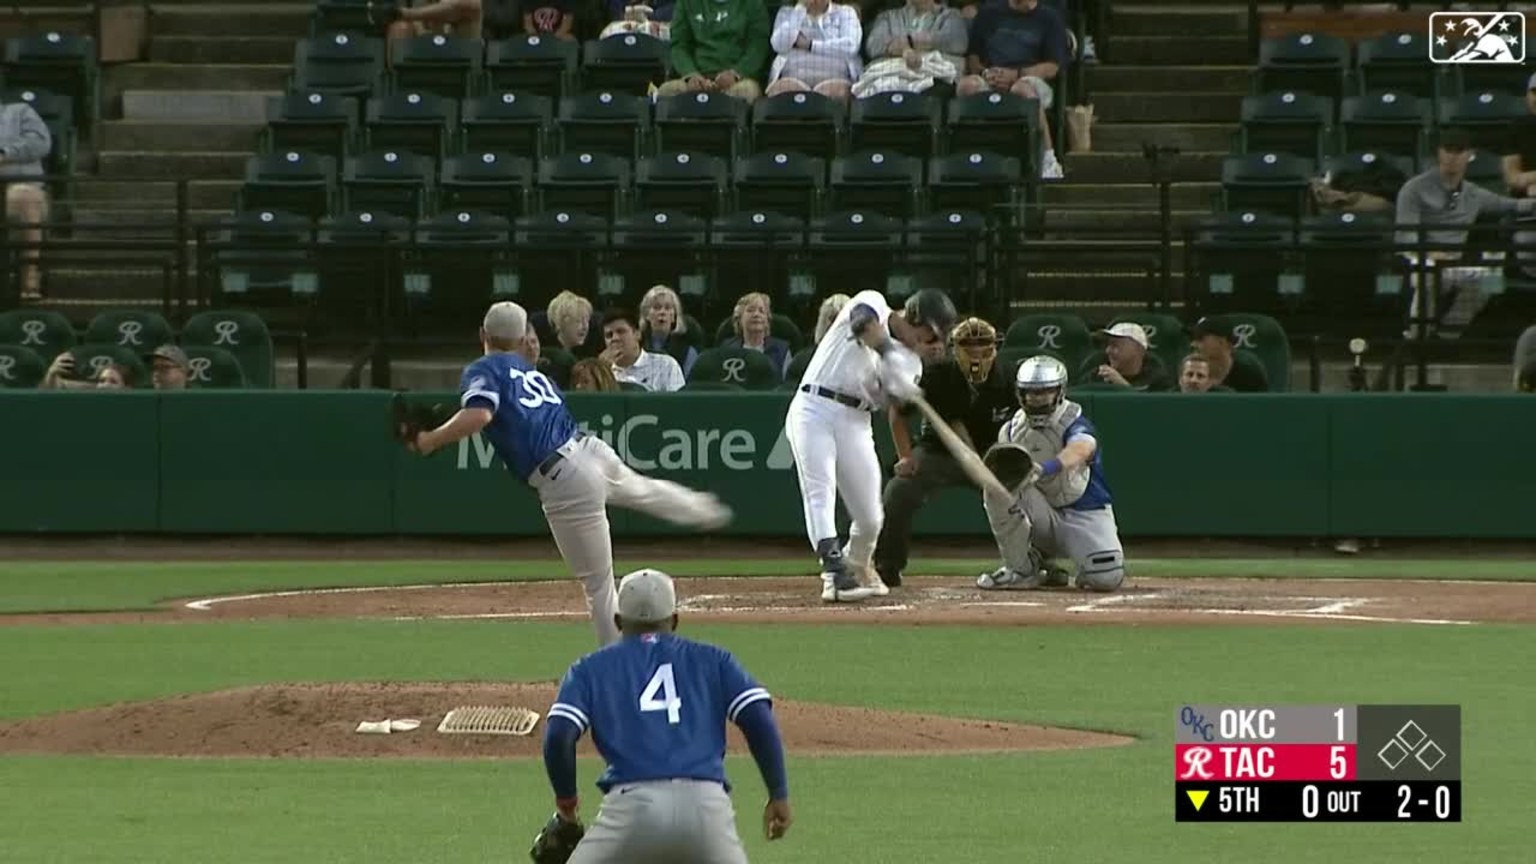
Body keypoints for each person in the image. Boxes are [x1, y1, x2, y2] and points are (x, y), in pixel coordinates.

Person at [400, 302, 732, 646]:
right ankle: (703, 508)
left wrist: (429, 439)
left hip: (563, 475)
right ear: (519, 338)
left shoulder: (484, 368)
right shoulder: (529, 370)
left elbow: (481, 415)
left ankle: (618, 669)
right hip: (588, 449)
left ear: (483, 335)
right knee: (641, 489)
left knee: (599, 586)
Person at [539, 568, 792, 863]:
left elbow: (558, 736)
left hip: (632, 811)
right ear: (674, 620)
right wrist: (778, 793)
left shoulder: (588, 669)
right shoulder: (715, 660)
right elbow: (759, 719)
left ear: (618, 621)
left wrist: (567, 803)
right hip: (707, 810)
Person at [786, 288, 956, 602]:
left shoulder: (912, 364)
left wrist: (900, 387)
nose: (929, 343)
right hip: (814, 406)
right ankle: (834, 572)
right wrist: (889, 351)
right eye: (928, 333)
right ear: (913, 316)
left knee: (871, 518)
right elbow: (862, 323)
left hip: (856, 421)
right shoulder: (874, 302)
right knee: (819, 489)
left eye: (935, 339)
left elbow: (890, 401)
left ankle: (856, 563)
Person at [873, 316, 1014, 587]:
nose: (977, 357)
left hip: (993, 454)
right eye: (969, 350)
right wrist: (905, 456)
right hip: (939, 451)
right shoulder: (936, 375)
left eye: (984, 351)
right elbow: (898, 412)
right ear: (954, 350)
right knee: (899, 491)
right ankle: (886, 566)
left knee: (1025, 496)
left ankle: (1032, 562)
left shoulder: (1007, 377)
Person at [977, 355, 1125, 592]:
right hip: (1041, 513)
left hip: (1083, 513)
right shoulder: (1011, 430)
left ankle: (1051, 565)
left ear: (1059, 392)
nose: (1035, 399)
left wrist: (1046, 468)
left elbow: (1081, 448)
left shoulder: (1075, 422)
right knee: (996, 488)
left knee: (1106, 578)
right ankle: (1022, 569)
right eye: (1030, 393)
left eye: (1043, 392)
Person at [1396, 128, 1536, 337]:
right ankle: (1417, 339)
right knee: (1428, 277)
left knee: (1490, 279)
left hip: (1454, 263)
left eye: (1459, 151)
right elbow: (1405, 238)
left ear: (1469, 156)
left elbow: (1511, 206)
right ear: (1439, 153)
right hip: (1418, 260)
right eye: (1448, 150)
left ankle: (1447, 336)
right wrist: (1427, 253)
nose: (1452, 157)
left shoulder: (1473, 193)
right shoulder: (1414, 188)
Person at [956, 0, 1069, 180]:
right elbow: (973, 56)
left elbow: (1052, 67)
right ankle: (962, 159)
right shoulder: (989, 13)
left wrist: (1016, 74)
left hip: (1030, 78)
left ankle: (1049, 160)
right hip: (993, 76)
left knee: (1021, 89)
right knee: (966, 86)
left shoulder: (1049, 18)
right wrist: (986, 73)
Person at [656, 0, 771, 103]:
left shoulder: (753, 4)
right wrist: (690, 75)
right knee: (667, 91)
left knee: (747, 91)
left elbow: (757, 47)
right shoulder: (687, 3)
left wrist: (736, 74)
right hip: (696, 78)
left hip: (737, 81)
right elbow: (679, 46)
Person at [853, 0, 967, 98]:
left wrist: (909, 41)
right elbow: (874, 45)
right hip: (890, 74)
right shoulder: (887, 16)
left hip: (934, 77)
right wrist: (905, 51)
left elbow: (957, 42)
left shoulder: (951, 15)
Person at [1, 96, 54, 300]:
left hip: (17, 187)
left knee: (25, 197)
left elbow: (40, 143)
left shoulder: (18, 112)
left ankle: (29, 279)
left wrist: (5, 153)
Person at [765, 0, 863, 102]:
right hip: (793, 76)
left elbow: (851, 46)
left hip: (836, 77)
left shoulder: (846, 12)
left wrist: (810, 45)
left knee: (837, 93)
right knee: (781, 91)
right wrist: (799, 11)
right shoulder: (786, 13)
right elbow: (778, 45)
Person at [602, 308, 686, 392]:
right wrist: (604, 369)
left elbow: (678, 403)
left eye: (621, 332)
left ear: (637, 334)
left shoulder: (666, 365)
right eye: (609, 335)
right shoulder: (602, 372)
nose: (614, 338)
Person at [1077, 322, 1172, 391]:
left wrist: (1123, 386)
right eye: (1108, 345)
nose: (1108, 351)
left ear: (1138, 349)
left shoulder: (1157, 380)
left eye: (1115, 345)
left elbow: (1156, 410)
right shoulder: (1095, 376)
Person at [718, 292, 790, 378]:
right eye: (750, 310)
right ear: (739, 319)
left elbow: (787, 386)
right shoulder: (727, 348)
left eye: (761, 311)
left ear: (767, 321)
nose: (756, 314)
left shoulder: (782, 350)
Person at [1189, 317, 1269, 393]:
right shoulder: (1188, 369)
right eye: (1193, 339)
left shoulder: (1249, 373)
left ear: (1222, 342)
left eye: (1200, 339)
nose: (1193, 344)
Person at [638, 284, 700, 374]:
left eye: (667, 308)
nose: (662, 312)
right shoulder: (635, 347)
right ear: (646, 315)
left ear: (674, 316)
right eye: (656, 308)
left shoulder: (688, 352)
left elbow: (688, 385)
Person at [1501, 72, 1536, 198]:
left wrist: (1529, 179)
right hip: (1527, 203)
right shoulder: (1517, 127)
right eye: (1534, 92)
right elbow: (1511, 178)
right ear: (1527, 96)